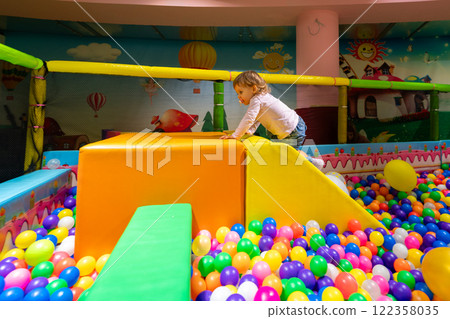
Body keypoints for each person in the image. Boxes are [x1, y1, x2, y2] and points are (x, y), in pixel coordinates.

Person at [220, 70, 324, 169]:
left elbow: (249, 118)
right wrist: (250, 130)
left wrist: (235, 136)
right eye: (237, 93)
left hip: (292, 130)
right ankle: (312, 161)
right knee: (285, 153)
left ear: (253, 88)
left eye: (241, 92)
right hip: (291, 128)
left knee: (287, 155)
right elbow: (257, 117)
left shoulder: (257, 100)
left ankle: (312, 162)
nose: (239, 96)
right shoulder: (261, 99)